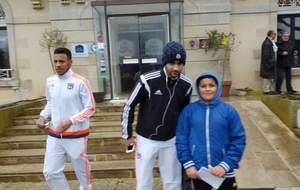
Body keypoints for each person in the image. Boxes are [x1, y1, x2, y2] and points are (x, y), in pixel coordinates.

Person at [121, 41, 193, 190]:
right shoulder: (147, 80)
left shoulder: (186, 85)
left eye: (180, 64)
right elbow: (129, 106)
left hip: (171, 140)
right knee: (144, 182)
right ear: (165, 61)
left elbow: (185, 114)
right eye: (172, 63)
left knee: (173, 182)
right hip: (146, 139)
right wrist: (127, 135)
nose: (176, 68)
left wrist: (184, 138)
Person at [36, 47, 95, 190]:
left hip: (76, 136)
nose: (58, 64)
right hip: (54, 135)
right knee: (50, 172)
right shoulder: (50, 81)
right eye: (55, 61)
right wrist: (42, 116)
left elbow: (91, 107)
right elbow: (50, 103)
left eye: (61, 61)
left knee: (83, 177)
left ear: (70, 62)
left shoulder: (81, 81)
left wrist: (70, 121)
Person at [176, 71, 246, 190]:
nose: (207, 89)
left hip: (224, 171)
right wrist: (188, 164)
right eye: (203, 86)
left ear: (218, 87)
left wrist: (225, 165)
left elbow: (238, 140)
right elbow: (181, 138)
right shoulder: (189, 111)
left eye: (211, 85)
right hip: (199, 172)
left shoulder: (229, 111)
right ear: (198, 89)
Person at [260, 30, 277, 95]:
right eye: (274, 34)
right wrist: (271, 62)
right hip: (267, 63)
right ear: (271, 35)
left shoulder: (270, 42)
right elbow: (266, 54)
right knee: (267, 77)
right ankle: (266, 91)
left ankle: (270, 90)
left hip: (270, 63)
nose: (275, 36)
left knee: (270, 78)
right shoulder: (267, 43)